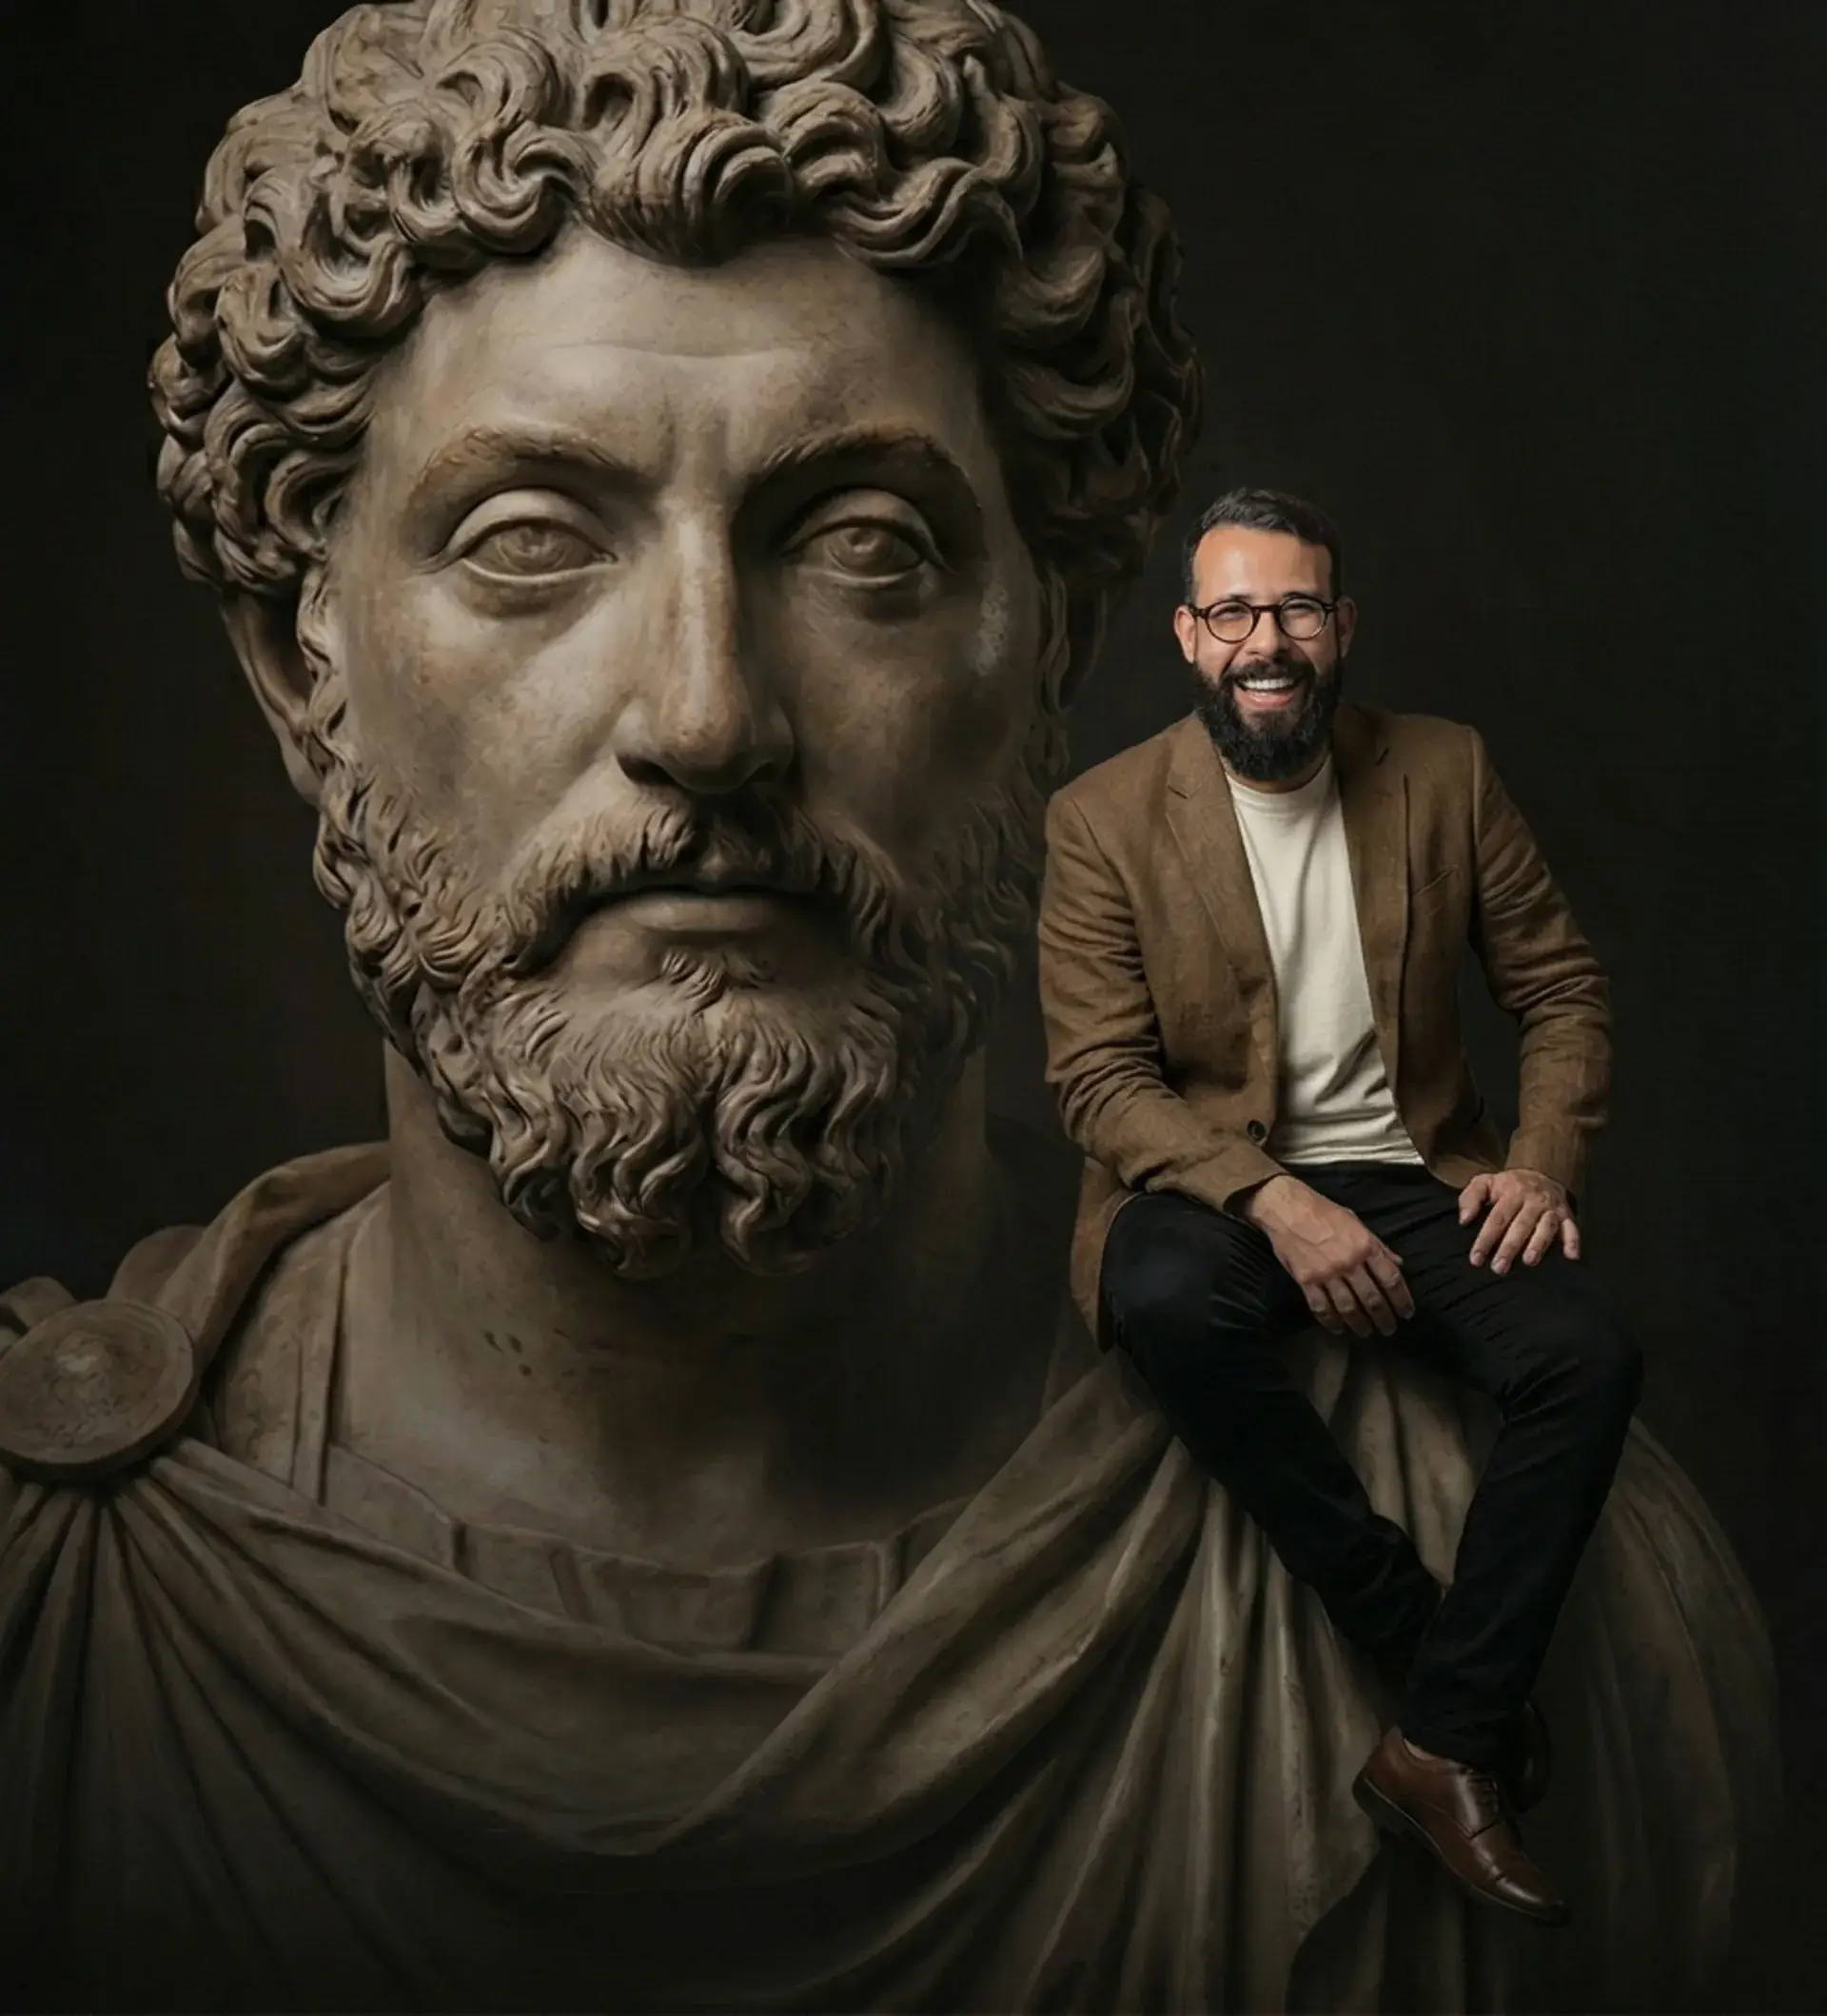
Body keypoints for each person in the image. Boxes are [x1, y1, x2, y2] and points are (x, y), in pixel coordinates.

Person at [0, 9, 1773, 2011]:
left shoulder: (1538, 1589)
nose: (706, 720)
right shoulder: (46, 1609)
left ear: (1056, 647)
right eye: (528, 544)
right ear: (300, 659)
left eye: (862, 546)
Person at [1036, 485, 1674, 1925]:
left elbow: (1562, 990)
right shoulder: (1102, 818)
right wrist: (1272, 1200)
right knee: (1160, 1298)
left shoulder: (1443, 771)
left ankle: (1441, 1738)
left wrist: (1540, 1163)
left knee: (1588, 1356)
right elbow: (1098, 1081)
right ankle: (1409, 1620)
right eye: (1239, 613)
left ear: (1342, 625)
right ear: (1192, 637)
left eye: (1299, 608)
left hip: (1422, 1173)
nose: (1271, 640)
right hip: (1211, 1181)